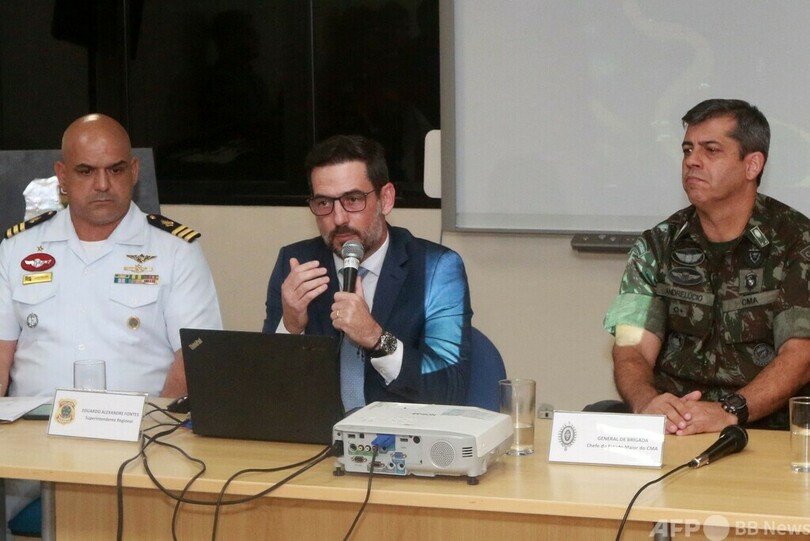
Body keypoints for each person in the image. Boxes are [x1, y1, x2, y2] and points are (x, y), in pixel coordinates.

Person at [602, 99, 810, 435]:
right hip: (673, 429)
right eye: (688, 150)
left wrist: (729, 412)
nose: (692, 161)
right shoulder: (657, 244)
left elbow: (800, 356)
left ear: (752, 165)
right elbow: (631, 346)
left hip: (765, 433)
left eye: (711, 150)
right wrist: (646, 403)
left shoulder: (797, 242)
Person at [0, 113, 223, 399]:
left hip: (140, 423)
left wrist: (157, 421)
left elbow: (195, 357)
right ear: (62, 175)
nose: (103, 184)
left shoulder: (176, 251)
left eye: (116, 170)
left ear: (134, 171)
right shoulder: (18, 248)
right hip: (33, 422)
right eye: (86, 171)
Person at [263, 134, 471, 410]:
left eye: (353, 199)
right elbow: (268, 388)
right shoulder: (297, 264)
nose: (339, 218)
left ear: (386, 199)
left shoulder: (436, 268)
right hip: (318, 433)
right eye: (324, 203)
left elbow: (449, 389)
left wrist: (376, 338)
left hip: (398, 431)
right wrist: (290, 327)